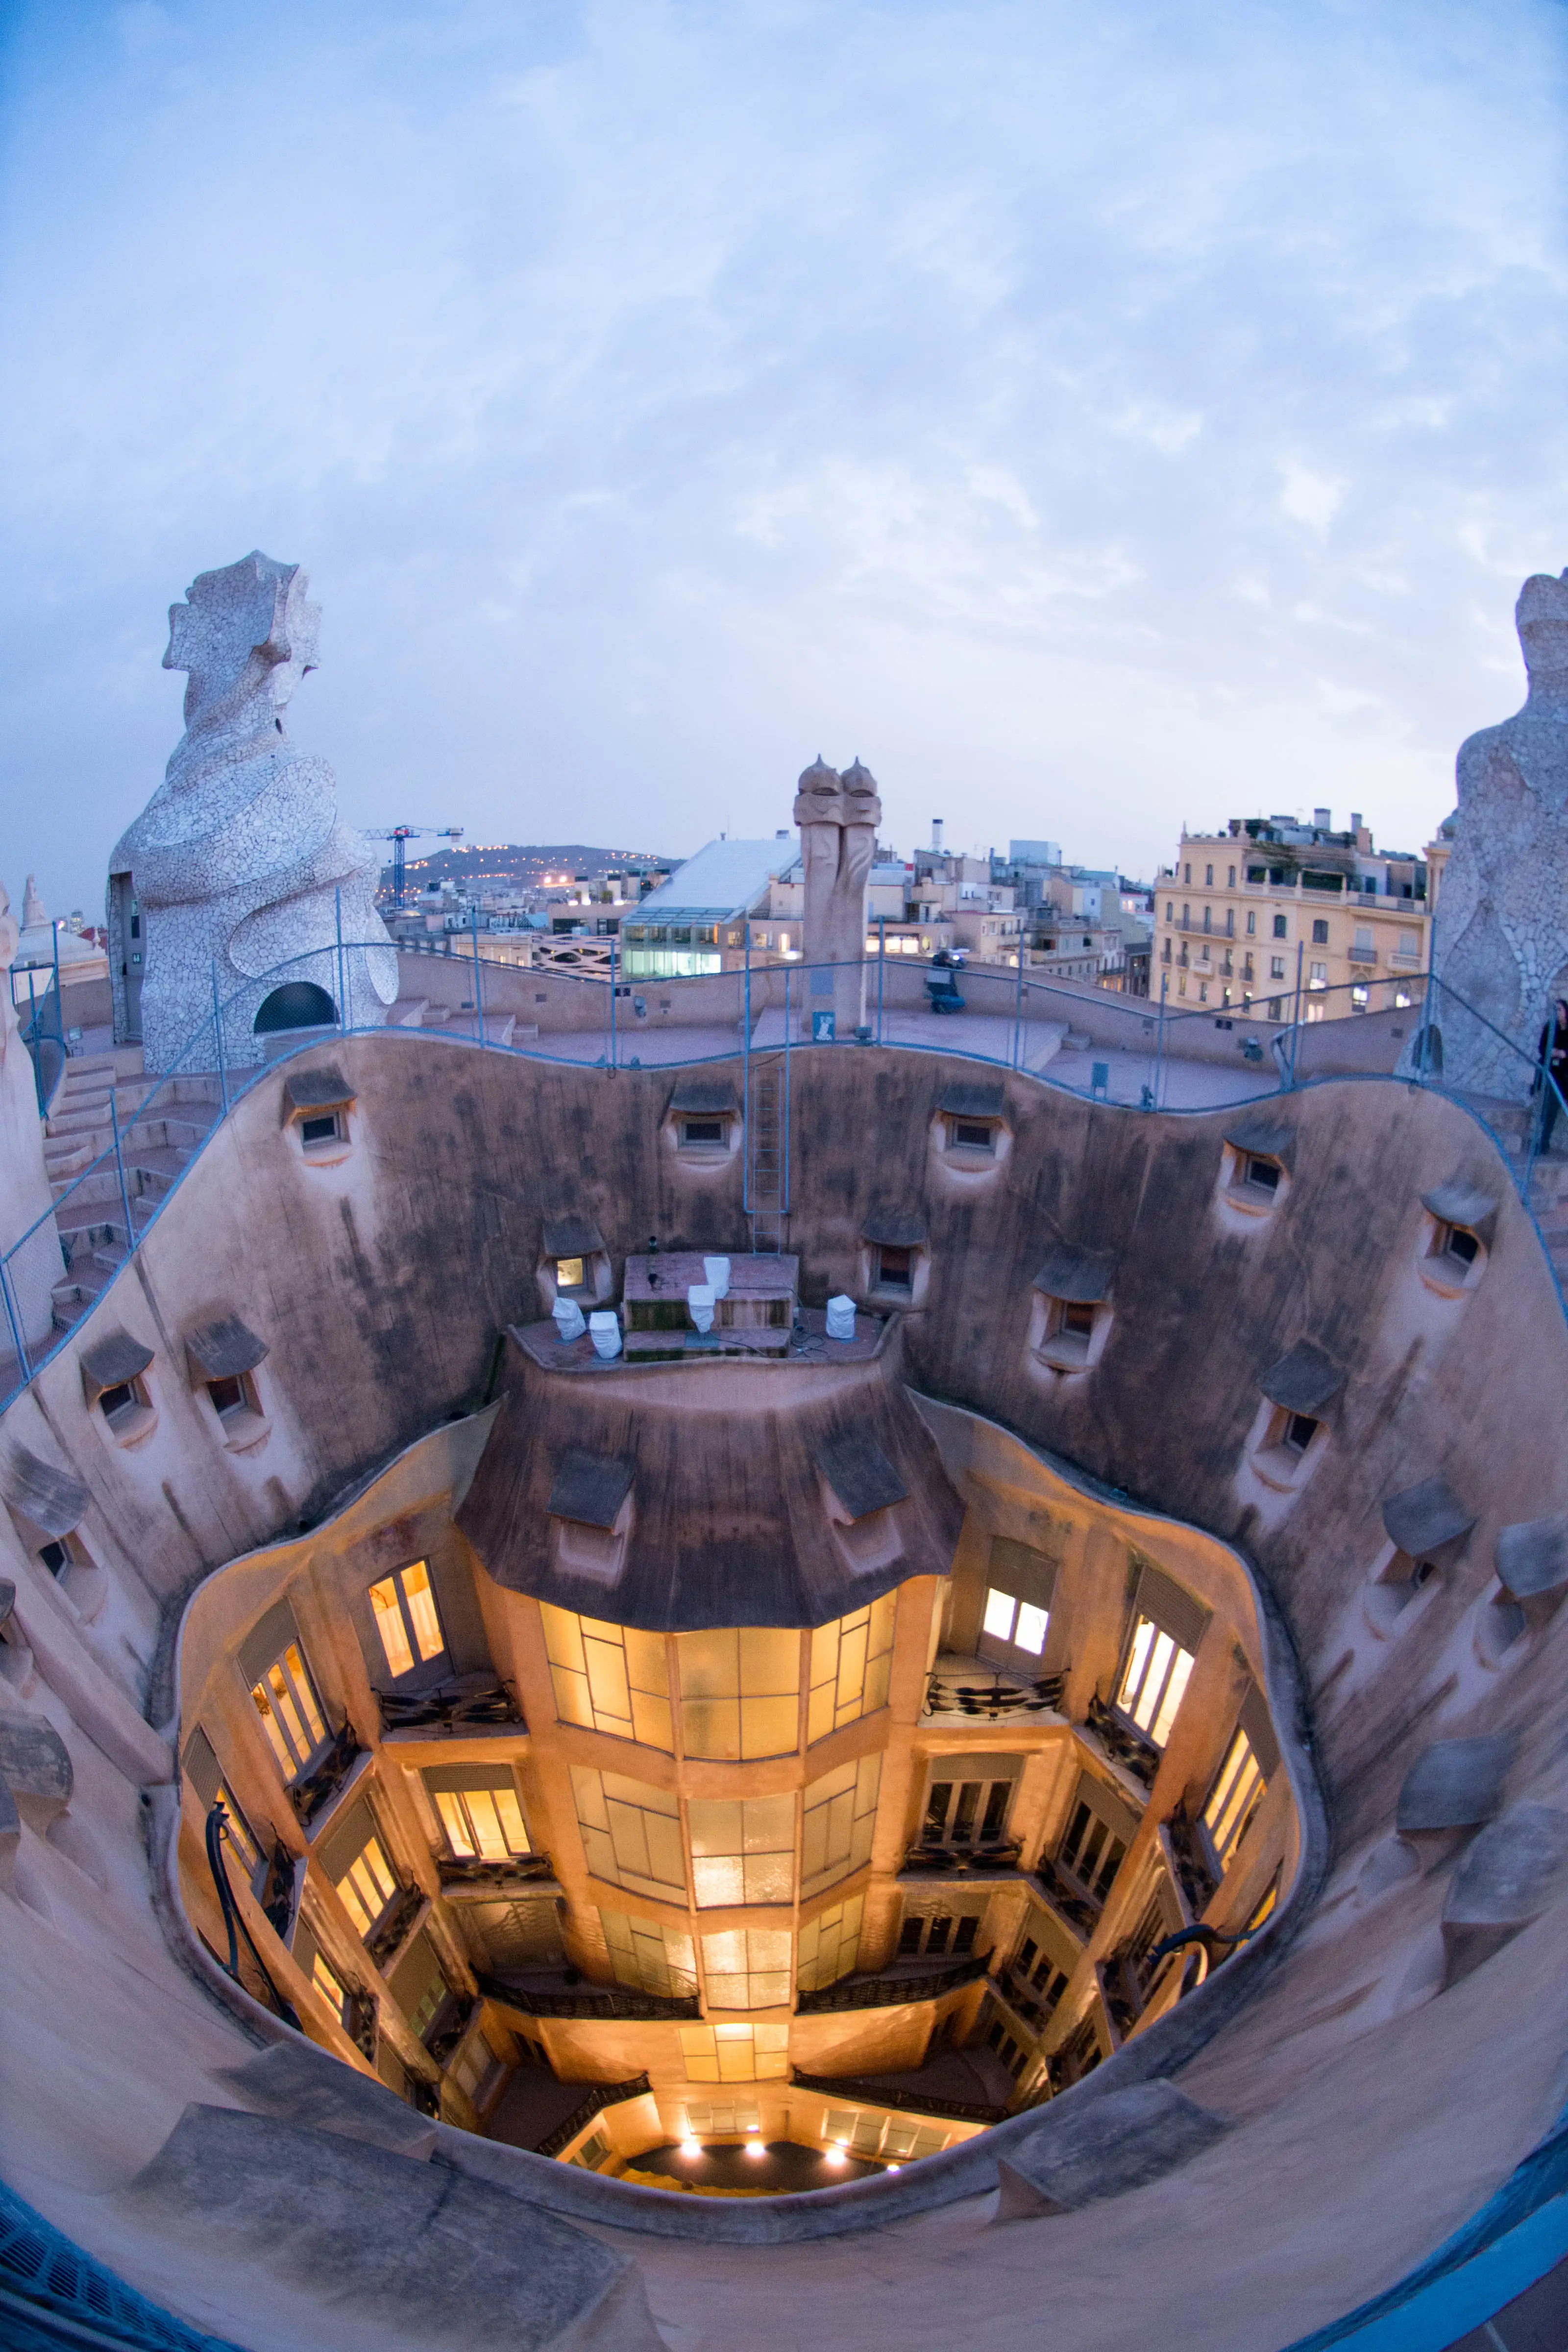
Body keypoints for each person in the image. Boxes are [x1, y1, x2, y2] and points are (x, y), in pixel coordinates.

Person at [1536, 999, 1568, 1152]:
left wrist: (1564, 1054)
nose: (1558, 1013)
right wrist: (1551, 1052)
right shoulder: (1550, 1027)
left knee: (1552, 1106)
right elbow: (1542, 1047)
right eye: (1556, 1010)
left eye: (1560, 1010)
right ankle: (1542, 1141)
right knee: (1546, 1107)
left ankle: (1544, 1141)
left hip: (1564, 1076)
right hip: (1550, 1071)